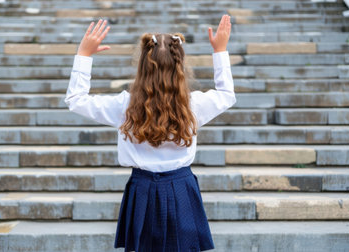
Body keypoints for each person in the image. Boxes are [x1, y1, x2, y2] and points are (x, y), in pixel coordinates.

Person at [65, 14, 236, 252]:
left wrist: (83, 56)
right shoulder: (193, 105)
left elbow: (75, 100)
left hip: (142, 188)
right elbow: (227, 95)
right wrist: (220, 51)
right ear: (181, 65)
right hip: (181, 188)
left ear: (142, 67)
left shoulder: (125, 106)